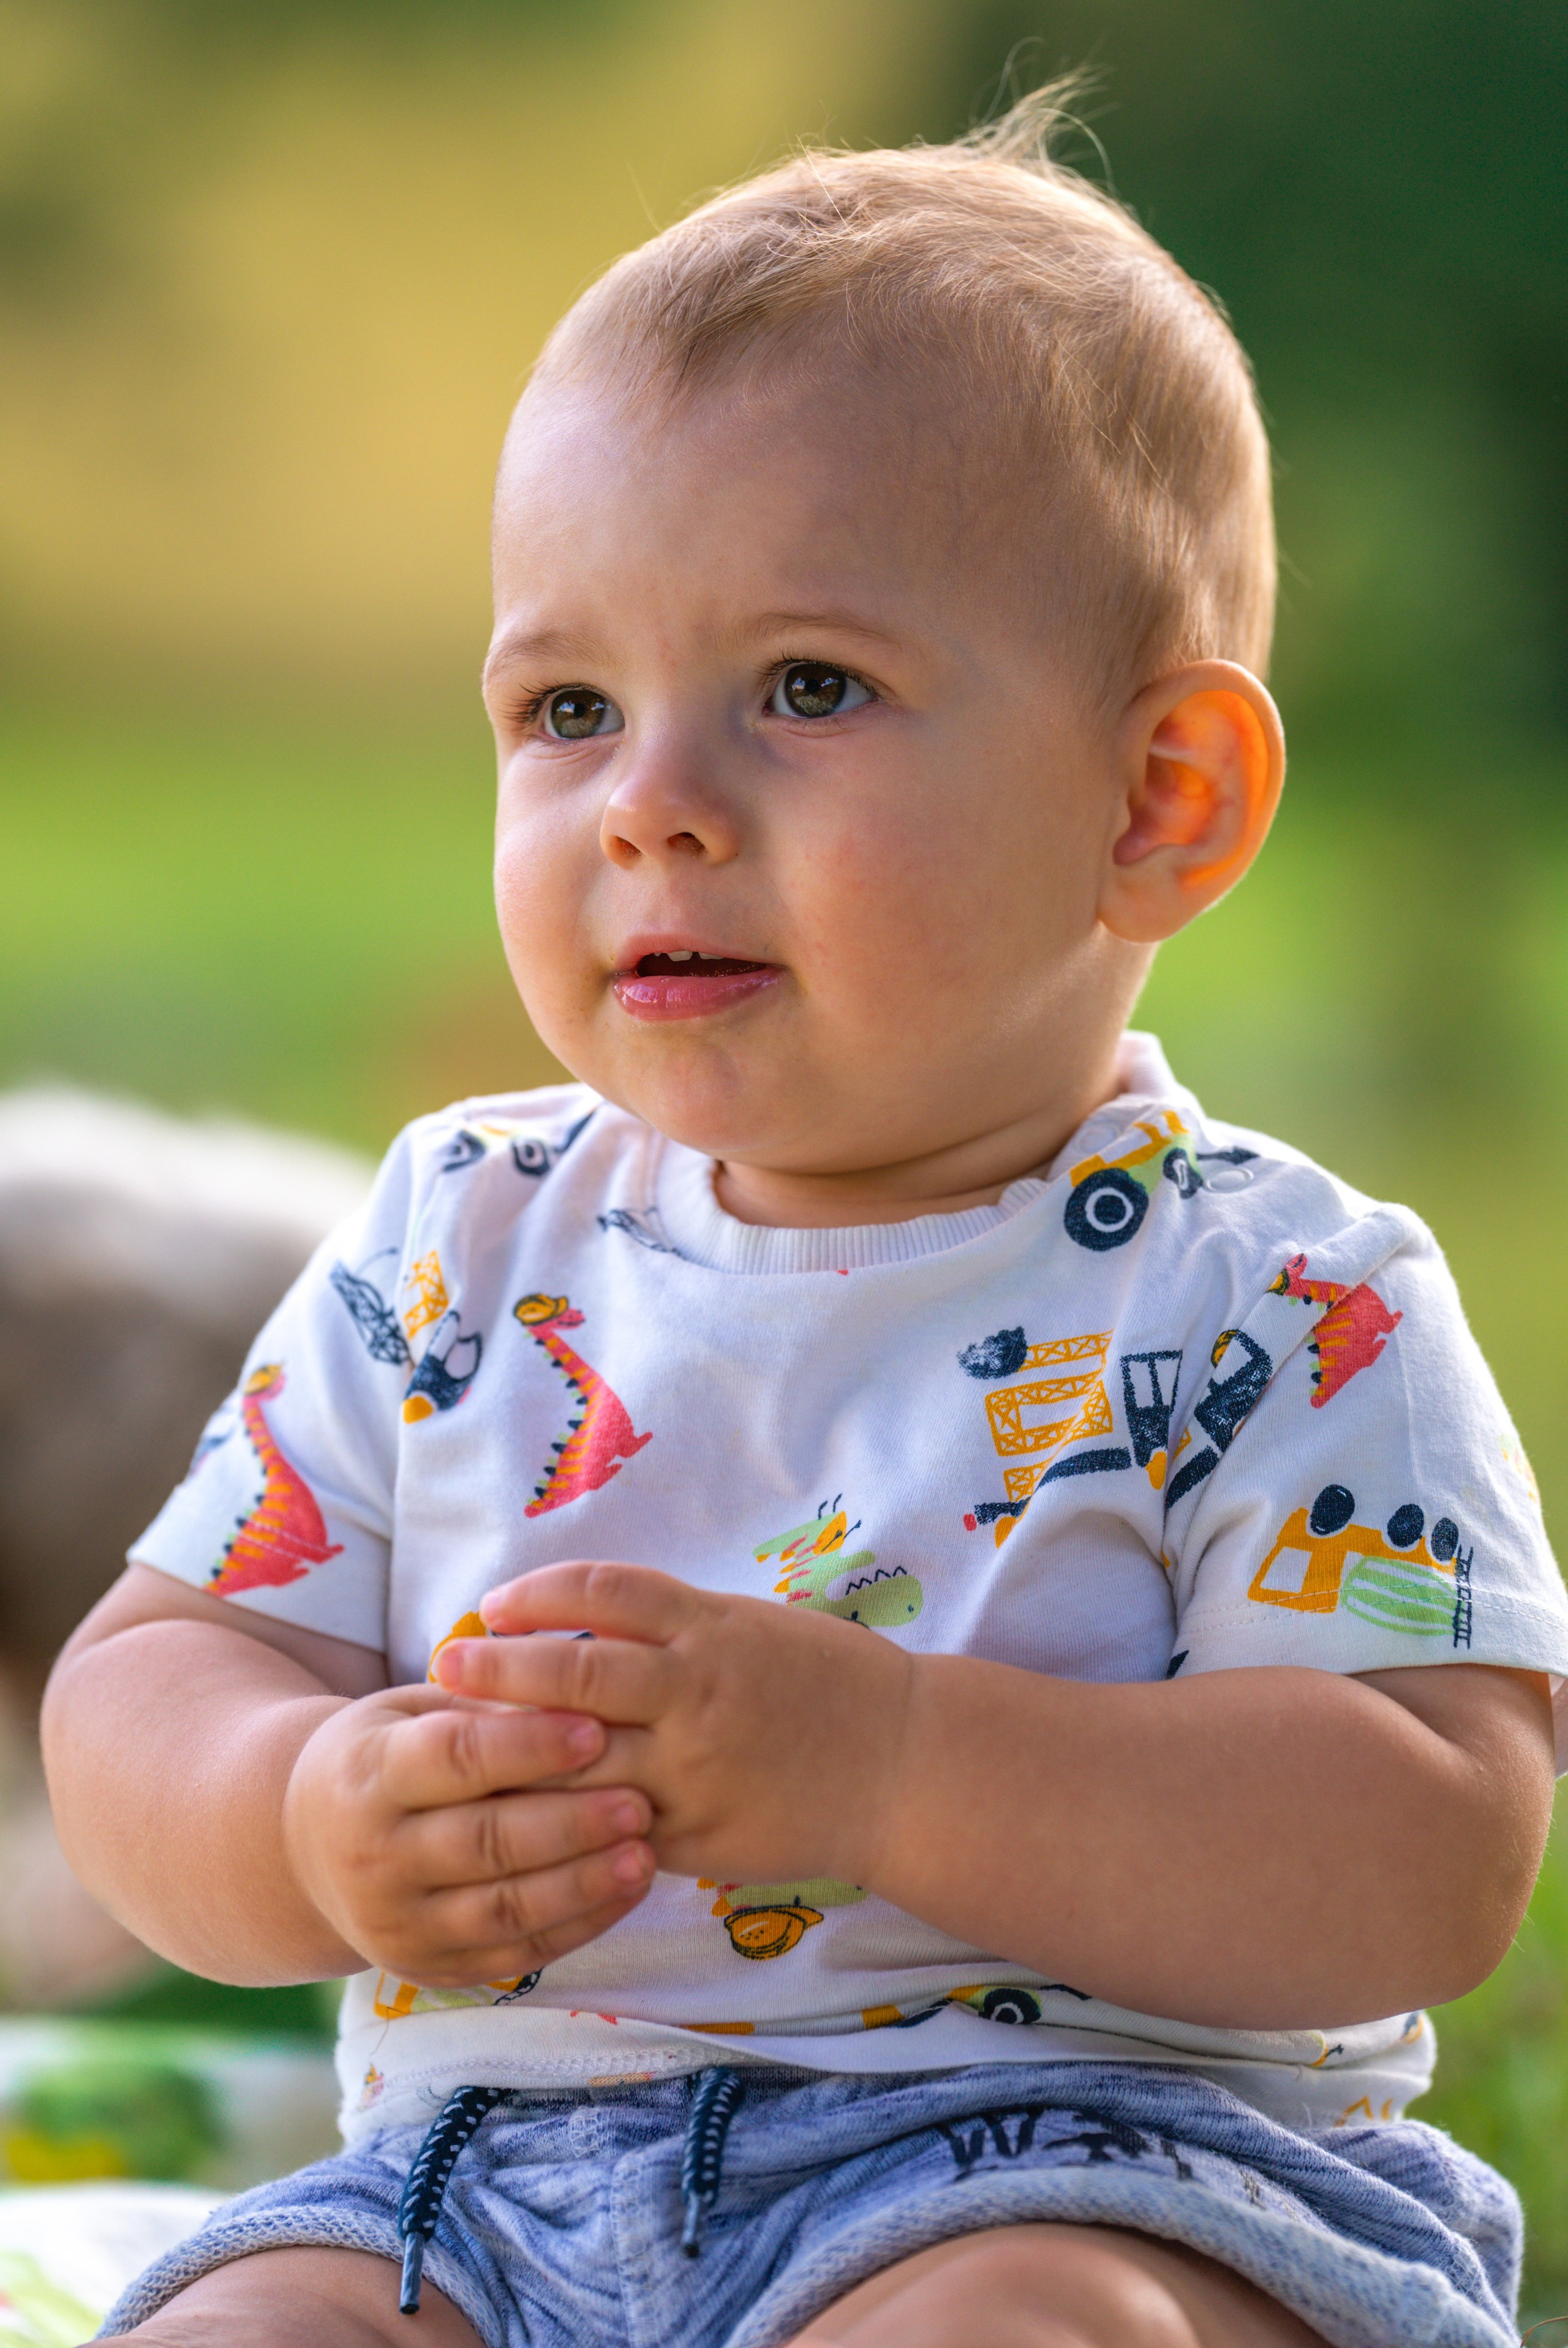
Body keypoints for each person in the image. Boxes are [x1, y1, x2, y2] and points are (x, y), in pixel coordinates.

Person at [43, 84, 1567, 2348]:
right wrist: (297, 1804)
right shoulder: (461, 1238)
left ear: (1161, 799)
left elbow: (1431, 1852)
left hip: (1103, 2168)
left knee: (1013, 2331)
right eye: (568, 706)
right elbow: (150, 1674)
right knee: (246, 2326)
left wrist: (896, 1763)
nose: (650, 806)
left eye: (808, 688)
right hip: (487, 2189)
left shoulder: (1278, 1301)